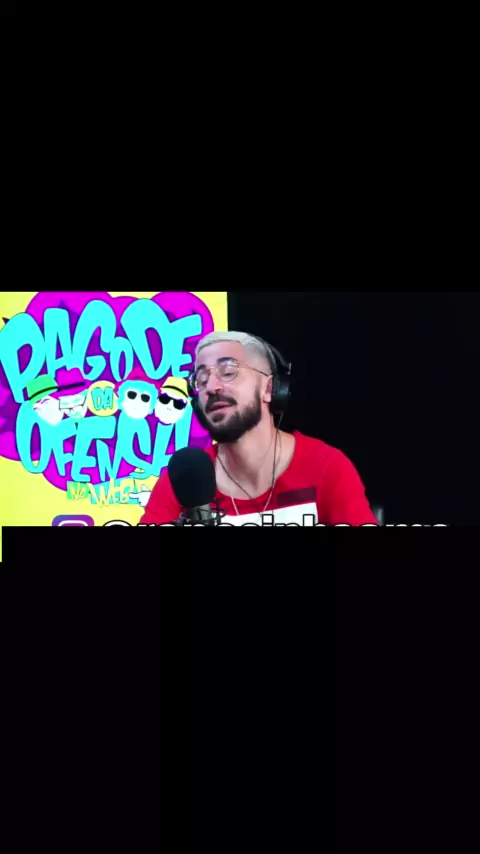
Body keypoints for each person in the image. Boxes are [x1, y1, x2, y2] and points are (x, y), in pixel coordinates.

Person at [139, 331, 379, 526]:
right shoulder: (183, 480)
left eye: (228, 372)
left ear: (270, 389)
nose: (211, 387)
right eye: (201, 380)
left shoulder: (326, 467)